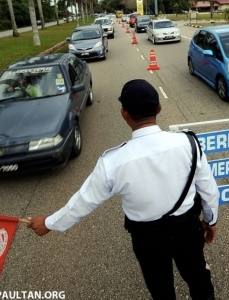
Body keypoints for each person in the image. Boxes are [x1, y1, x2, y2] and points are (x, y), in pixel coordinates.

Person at [27, 79, 219, 300]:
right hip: (188, 230)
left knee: (161, 289)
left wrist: (50, 222)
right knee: (199, 281)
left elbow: (84, 201)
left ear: (124, 114)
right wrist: (210, 220)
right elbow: (208, 189)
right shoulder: (188, 143)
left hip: (147, 238)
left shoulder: (113, 161)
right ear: (159, 108)